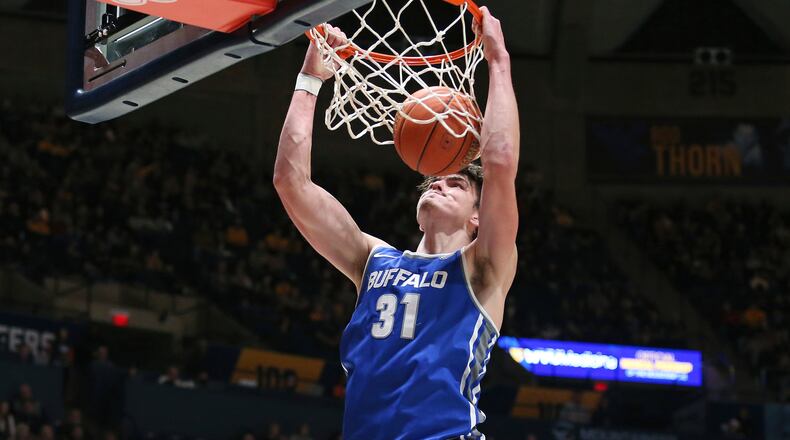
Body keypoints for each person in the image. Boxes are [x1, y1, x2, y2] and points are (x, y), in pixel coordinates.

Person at [273, 6, 518, 439]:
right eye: (434, 181)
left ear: (479, 216)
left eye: (456, 184)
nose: (438, 185)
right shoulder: (372, 260)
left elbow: (499, 163)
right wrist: (309, 81)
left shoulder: (484, 268)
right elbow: (291, 181)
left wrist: (499, 61)